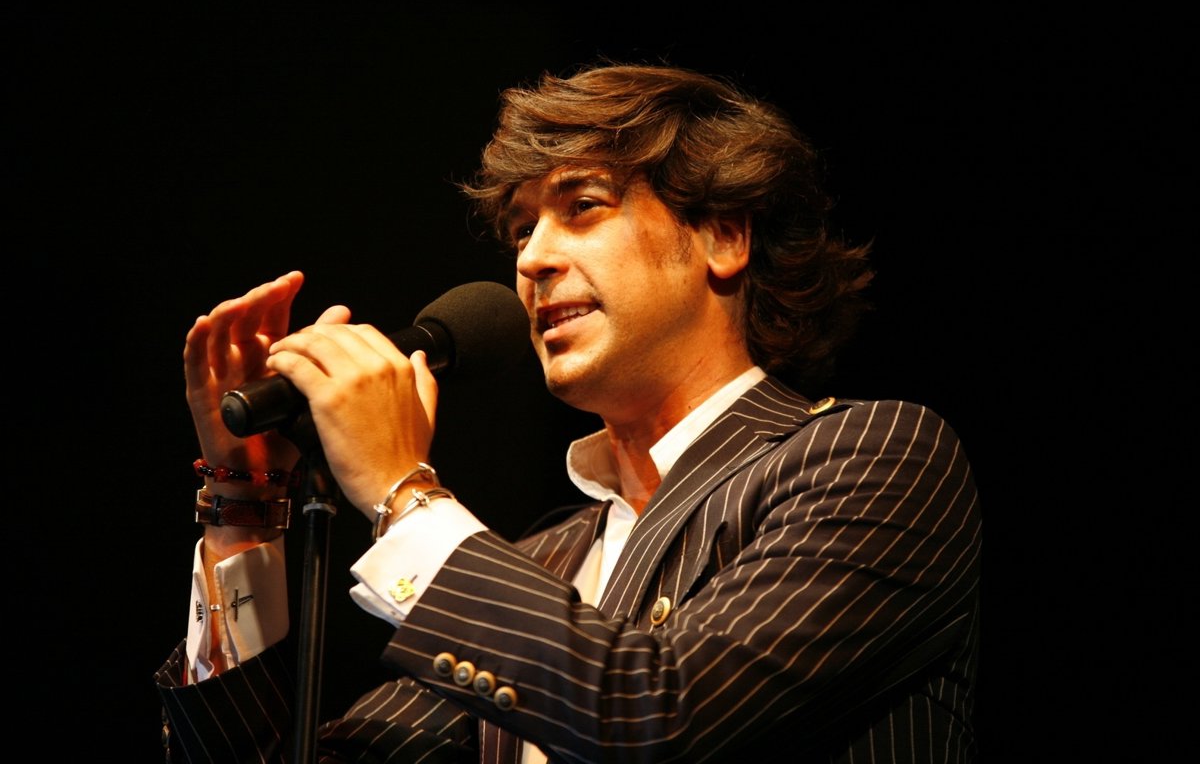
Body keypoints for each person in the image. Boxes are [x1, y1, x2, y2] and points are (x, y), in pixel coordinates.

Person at [155, 62, 982, 763]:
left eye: (582, 206)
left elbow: (663, 719)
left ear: (724, 237)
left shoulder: (880, 456)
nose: (534, 259)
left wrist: (403, 492)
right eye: (521, 230)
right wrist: (241, 511)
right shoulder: (546, 560)